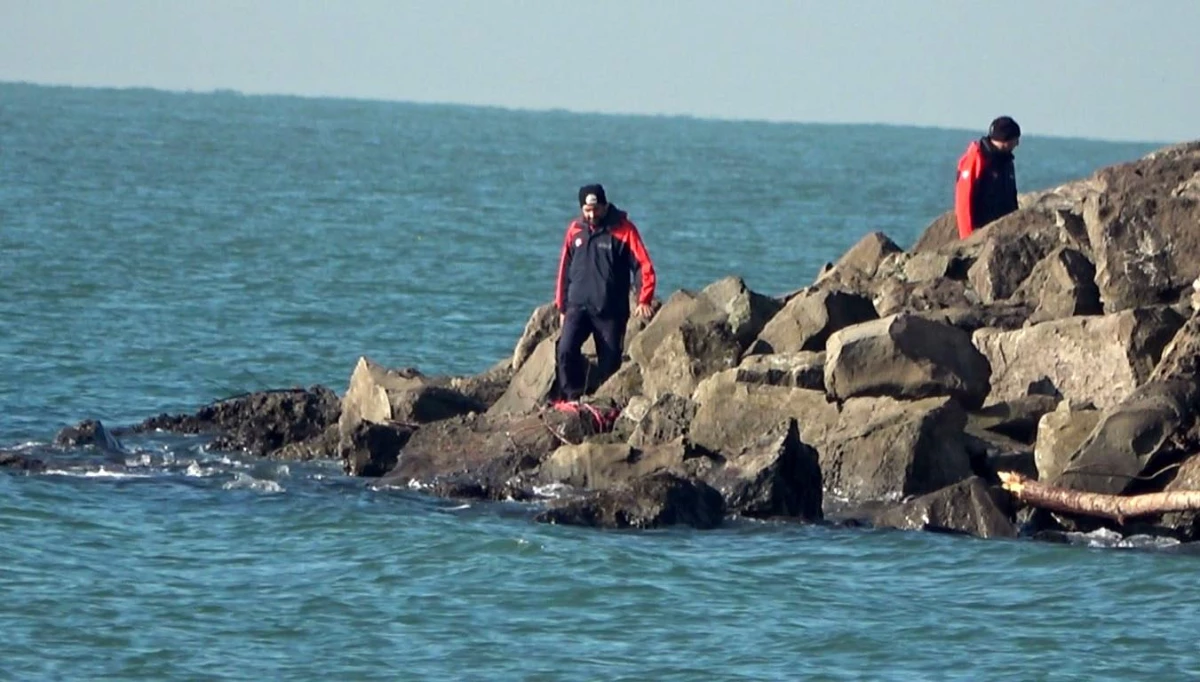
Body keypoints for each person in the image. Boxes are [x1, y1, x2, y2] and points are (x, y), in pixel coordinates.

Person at [553, 184, 656, 402]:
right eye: (587, 210)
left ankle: (606, 405)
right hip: (577, 306)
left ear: (605, 205)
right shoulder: (575, 230)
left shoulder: (624, 230)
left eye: (596, 209)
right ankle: (570, 398)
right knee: (565, 350)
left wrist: (643, 298)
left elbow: (642, 265)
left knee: (609, 365)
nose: (592, 215)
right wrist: (562, 306)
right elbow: (564, 269)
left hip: (610, 312)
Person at [955, 116, 1021, 239]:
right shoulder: (976, 159)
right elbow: (963, 201)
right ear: (1005, 139)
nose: (1017, 144)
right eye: (1015, 140)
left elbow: (1012, 197)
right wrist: (968, 239)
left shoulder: (1007, 161)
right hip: (981, 232)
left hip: (1003, 232)